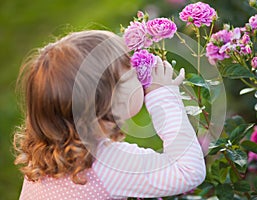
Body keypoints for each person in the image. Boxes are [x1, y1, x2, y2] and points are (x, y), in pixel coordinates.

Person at [14, 30, 206, 199]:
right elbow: (188, 171)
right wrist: (163, 96)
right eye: (131, 74)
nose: (139, 75)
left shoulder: (42, 153)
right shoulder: (109, 165)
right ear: (109, 106)